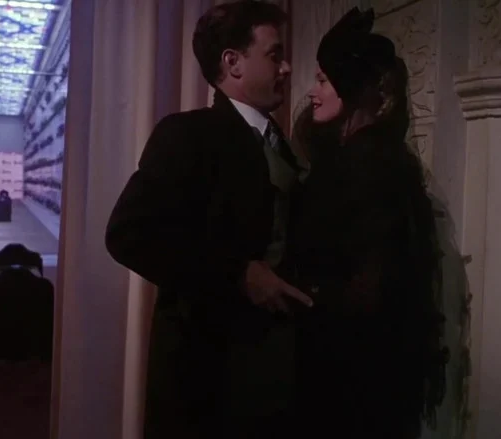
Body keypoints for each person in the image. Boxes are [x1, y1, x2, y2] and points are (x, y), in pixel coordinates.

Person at [105, 1, 312, 438]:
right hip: (208, 380)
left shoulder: (283, 145)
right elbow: (128, 234)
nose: (287, 67)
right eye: (274, 54)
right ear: (233, 63)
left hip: (272, 377)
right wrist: (238, 273)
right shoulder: (188, 135)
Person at [288, 8, 449, 438]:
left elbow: (372, 286)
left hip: (352, 376)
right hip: (354, 368)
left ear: (351, 87)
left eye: (323, 80)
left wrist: (302, 297)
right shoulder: (359, 158)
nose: (313, 92)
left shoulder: (368, 163)